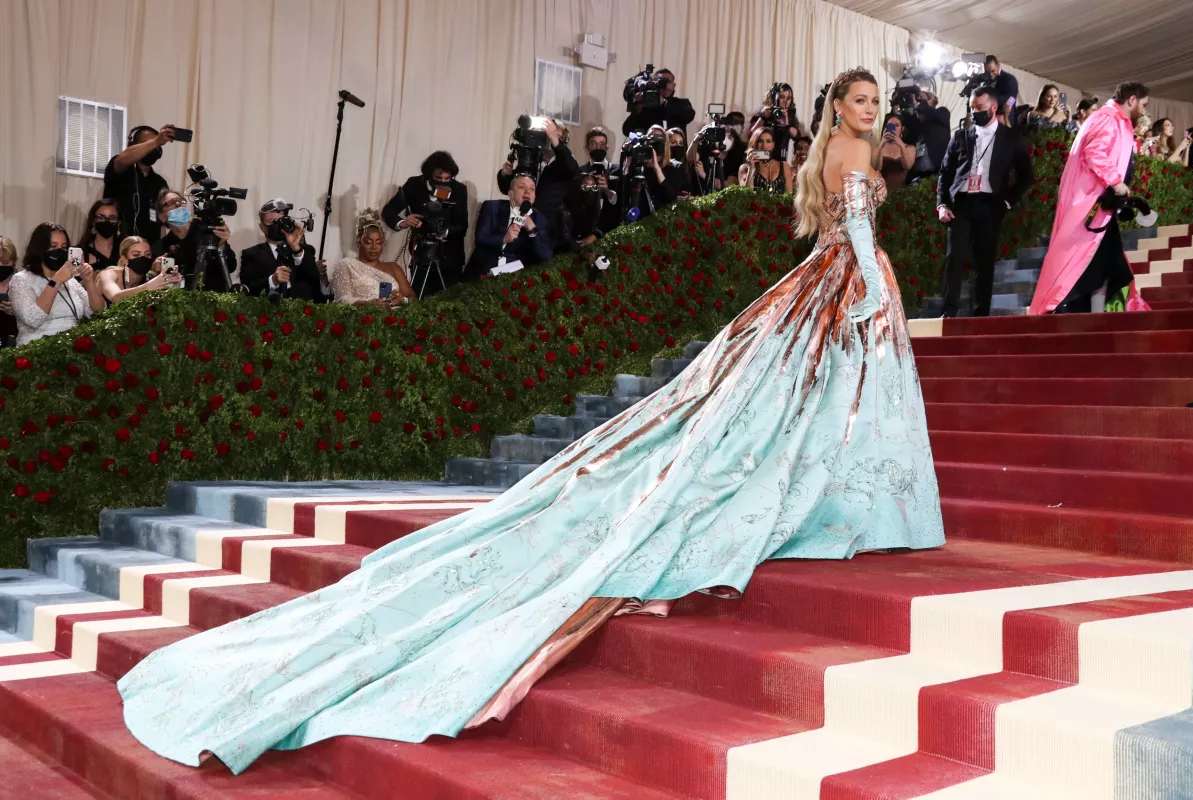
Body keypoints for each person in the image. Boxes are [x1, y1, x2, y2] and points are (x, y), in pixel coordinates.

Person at [117, 67, 943, 774]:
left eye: (876, 103)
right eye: (861, 101)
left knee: (809, 403)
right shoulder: (853, 152)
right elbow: (862, 231)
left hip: (826, 276)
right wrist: (872, 293)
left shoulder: (836, 152)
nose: (871, 112)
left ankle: (847, 500)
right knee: (824, 400)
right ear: (840, 109)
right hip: (850, 280)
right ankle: (853, 504)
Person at [1030, 82, 1154, 315]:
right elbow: (1094, 151)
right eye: (1143, 104)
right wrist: (1115, 181)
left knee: (1106, 264)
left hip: (1099, 205)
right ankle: (1090, 316)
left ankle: (1096, 315)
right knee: (1096, 264)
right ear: (1132, 100)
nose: (1144, 110)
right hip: (1092, 205)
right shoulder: (1108, 118)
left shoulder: (1113, 119)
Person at [936, 87, 1034, 318]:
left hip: (991, 205)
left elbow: (1026, 176)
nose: (974, 113)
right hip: (961, 203)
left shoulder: (1011, 137)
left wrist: (1007, 202)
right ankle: (949, 311)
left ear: (993, 107)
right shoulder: (960, 136)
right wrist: (942, 204)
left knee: (985, 261)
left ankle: (981, 314)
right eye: (971, 108)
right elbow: (945, 172)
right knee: (954, 257)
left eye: (979, 108)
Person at [382, 151, 470, 293]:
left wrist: (445, 232)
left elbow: (462, 226)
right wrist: (403, 222)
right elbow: (388, 212)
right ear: (428, 175)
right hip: (422, 254)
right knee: (420, 299)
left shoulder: (459, 189)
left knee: (448, 304)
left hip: (450, 258)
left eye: (447, 178)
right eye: (438, 178)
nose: (442, 181)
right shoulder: (414, 185)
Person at [9, 223, 105, 345]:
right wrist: (57, 280)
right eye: (53, 246)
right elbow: (33, 319)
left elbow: (99, 313)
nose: (59, 251)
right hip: (36, 352)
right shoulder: (21, 280)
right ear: (39, 248)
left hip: (72, 350)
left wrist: (89, 280)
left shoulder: (71, 282)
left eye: (64, 247)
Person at [497, 120, 578, 252]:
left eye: (555, 136)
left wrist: (555, 141)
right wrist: (506, 174)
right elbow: (508, 189)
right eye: (548, 135)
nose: (550, 139)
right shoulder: (531, 158)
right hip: (522, 220)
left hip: (548, 225)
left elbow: (573, 170)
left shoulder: (564, 162)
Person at [465, 174, 553, 279]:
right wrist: (504, 238)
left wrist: (532, 229)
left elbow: (545, 256)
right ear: (510, 193)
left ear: (534, 197)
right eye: (521, 187)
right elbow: (480, 239)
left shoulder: (540, 219)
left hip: (515, 277)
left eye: (532, 189)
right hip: (484, 269)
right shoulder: (492, 207)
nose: (527, 192)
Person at [151, 191, 238, 291]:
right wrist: (156, 272)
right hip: (182, 303)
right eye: (171, 202)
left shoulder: (209, 231)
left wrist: (222, 244)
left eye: (181, 201)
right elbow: (165, 286)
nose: (178, 204)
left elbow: (231, 266)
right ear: (162, 216)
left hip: (214, 300)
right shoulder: (161, 247)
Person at [103, 125, 176, 244]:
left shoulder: (160, 182)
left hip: (148, 250)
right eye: (147, 143)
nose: (152, 147)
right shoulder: (120, 169)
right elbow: (122, 160)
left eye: (156, 144)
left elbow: (161, 223)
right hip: (117, 245)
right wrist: (156, 140)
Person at [240, 199, 325, 301]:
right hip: (268, 312)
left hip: (301, 313)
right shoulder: (251, 254)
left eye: (281, 221)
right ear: (262, 227)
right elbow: (248, 289)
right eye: (272, 221)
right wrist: (273, 280)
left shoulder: (305, 251)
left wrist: (296, 248)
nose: (278, 225)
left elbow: (314, 278)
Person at [328, 209, 415, 306]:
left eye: (379, 243)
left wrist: (402, 299)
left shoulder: (394, 268)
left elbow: (412, 298)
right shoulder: (346, 265)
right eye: (368, 242)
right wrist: (370, 304)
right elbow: (342, 300)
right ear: (359, 243)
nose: (374, 247)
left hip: (394, 318)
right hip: (362, 318)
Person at [98, 236, 181, 304]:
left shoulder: (149, 278)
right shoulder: (109, 274)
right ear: (124, 259)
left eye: (147, 254)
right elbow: (116, 297)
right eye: (136, 255)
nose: (143, 258)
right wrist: (149, 286)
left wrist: (174, 287)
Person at [622, 66, 696, 136]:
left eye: (669, 82)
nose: (666, 86)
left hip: (675, 148)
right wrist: (637, 111)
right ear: (654, 84)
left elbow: (689, 116)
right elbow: (627, 130)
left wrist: (664, 103)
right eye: (661, 82)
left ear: (674, 85)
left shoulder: (682, 103)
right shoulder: (646, 106)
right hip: (650, 148)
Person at [579, 127, 623, 233]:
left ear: (607, 147)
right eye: (594, 144)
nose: (598, 148)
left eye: (602, 144)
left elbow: (621, 202)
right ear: (587, 147)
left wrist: (607, 191)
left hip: (611, 228)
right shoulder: (580, 172)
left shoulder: (618, 171)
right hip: (586, 227)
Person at [748, 83, 803, 162]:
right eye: (782, 97)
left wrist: (786, 124)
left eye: (789, 98)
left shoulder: (790, 115)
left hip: (780, 158)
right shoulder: (764, 112)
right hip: (761, 156)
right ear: (774, 97)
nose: (785, 101)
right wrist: (763, 117)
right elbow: (751, 135)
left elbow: (797, 136)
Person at [738, 128, 793, 194]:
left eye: (768, 141)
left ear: (773, 145)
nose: (764, 146)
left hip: (779, 204)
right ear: (754, 143)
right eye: (760, 141)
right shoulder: (745, 168)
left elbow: (789, 196)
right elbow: (746, 196)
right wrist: (751, 167)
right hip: (756, 204)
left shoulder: (784, 166)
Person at [910, 91, 952, 179]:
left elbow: (930, 113)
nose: (918, 100)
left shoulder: (942, 111)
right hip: (918, 165)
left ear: (930, 101)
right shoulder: (917, 117)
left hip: (937, 163)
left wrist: (918, 106)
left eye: (921, 98)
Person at [78, 198, 122, 269]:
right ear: (93, 221)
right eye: (101, 217)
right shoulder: (79, 252)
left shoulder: (126, 250)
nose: (106, 222)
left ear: (119, 222)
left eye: (112, 218)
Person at [877, 113, 916, 191]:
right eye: (890, 125)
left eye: (897, 125)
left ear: (902, 128)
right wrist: (881, 145)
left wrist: (901, 145)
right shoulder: (878, 147)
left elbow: (907, 166)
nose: (893, 128)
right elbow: (877, 168)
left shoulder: (910, 148)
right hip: (881, 192)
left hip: (900, 194)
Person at [983, 56, 1019, 125]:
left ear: (998, 65)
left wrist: (990, 99)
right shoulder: (986, 81)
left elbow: (1012, 99)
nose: (990, 74)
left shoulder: (1009, 78)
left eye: (992, 71)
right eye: (987, 72)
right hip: (991, 119)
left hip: (1006, 119)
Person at [0, 236, 18, 347]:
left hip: (15, 343)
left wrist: (17, 310)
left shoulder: (22, 282)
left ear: (14, 261)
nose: (1, 266)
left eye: (5, 262)